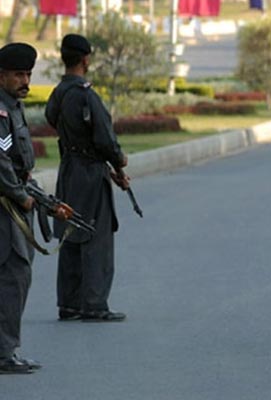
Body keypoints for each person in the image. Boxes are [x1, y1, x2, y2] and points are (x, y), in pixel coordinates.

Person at [45, 34, 130, 323]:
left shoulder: (58, 92)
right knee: (96, 237)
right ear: (85, 59)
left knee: (71, 233)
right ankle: (94, 304)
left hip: (68, 170)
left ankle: (68, 304)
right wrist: (119, 161)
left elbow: (51, 118)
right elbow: (105, 139)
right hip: (92, 173)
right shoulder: (86, 94)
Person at [0, 42, 43, 374]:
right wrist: (20, 194)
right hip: (5, 205)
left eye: (28, 73)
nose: (25, 80)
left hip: (13, 200)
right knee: (14, 275)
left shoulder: (12, 106)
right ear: (1, 76)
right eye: (18, 74)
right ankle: (4, 353)